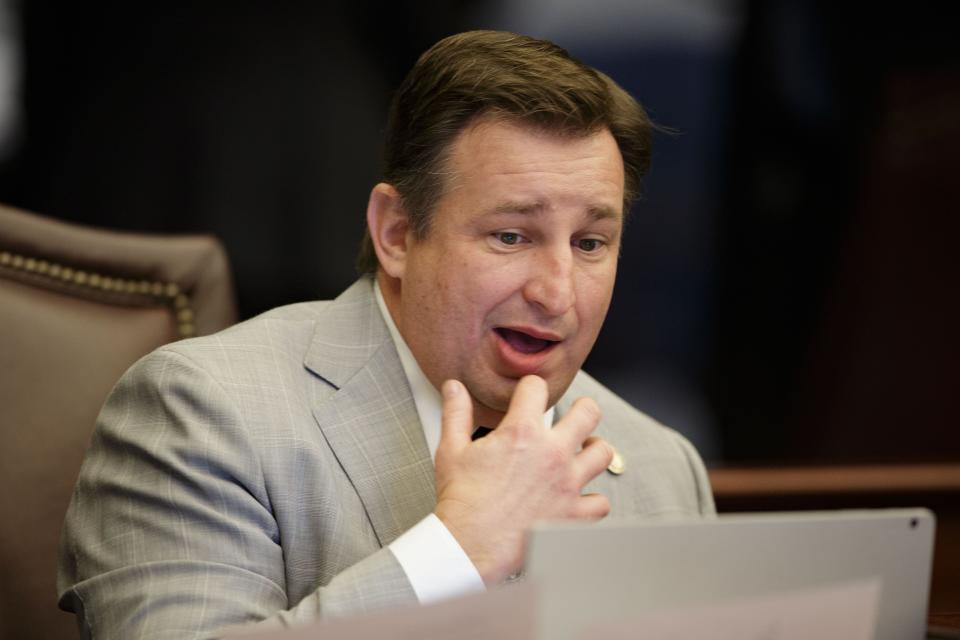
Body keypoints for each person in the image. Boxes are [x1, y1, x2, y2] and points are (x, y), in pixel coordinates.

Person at [58, 30, 715, 638]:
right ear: (397, 233)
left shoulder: (660, 468)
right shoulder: (201, 414)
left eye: (591, 243)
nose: (558, 291)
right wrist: (454, 552)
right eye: (511, 236)